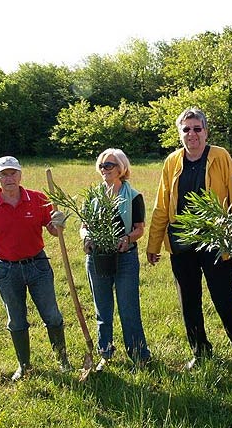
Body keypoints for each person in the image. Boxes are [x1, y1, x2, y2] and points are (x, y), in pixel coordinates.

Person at [146, 107, 232, 369]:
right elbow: (162, 204)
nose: (192, 134)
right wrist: (154, 242)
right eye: (186, 129)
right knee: (189, 300)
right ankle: (200, 351)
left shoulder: (220, 156)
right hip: (182, 242)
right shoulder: (172, 161)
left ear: (206, 131)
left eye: (197, 128)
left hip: (216, 241)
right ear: (179, 133)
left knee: (224, 297)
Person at [0, 156, 71, 381]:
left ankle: (62, 360)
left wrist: (58, 223)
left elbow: (54, 232)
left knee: (52, 315)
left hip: (38, 265)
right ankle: (24, 366)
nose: (9, 178)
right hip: (7, 271)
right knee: (16, 319)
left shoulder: (38, 199)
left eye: (12, 173)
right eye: (3, 174)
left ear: (20, 175)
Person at [80, 148, 151, 372]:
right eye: (101, 165)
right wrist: (86, 238)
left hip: (126, 259)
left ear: (121, 168)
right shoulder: (92, 196)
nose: (104, 169)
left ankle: (139, 356)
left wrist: (128, 239)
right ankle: (105, 353)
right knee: (102, 310)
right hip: (98, 258)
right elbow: (84, 227)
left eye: (109, 165)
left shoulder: (134, 196)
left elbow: (139, 229)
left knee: (129, 309)